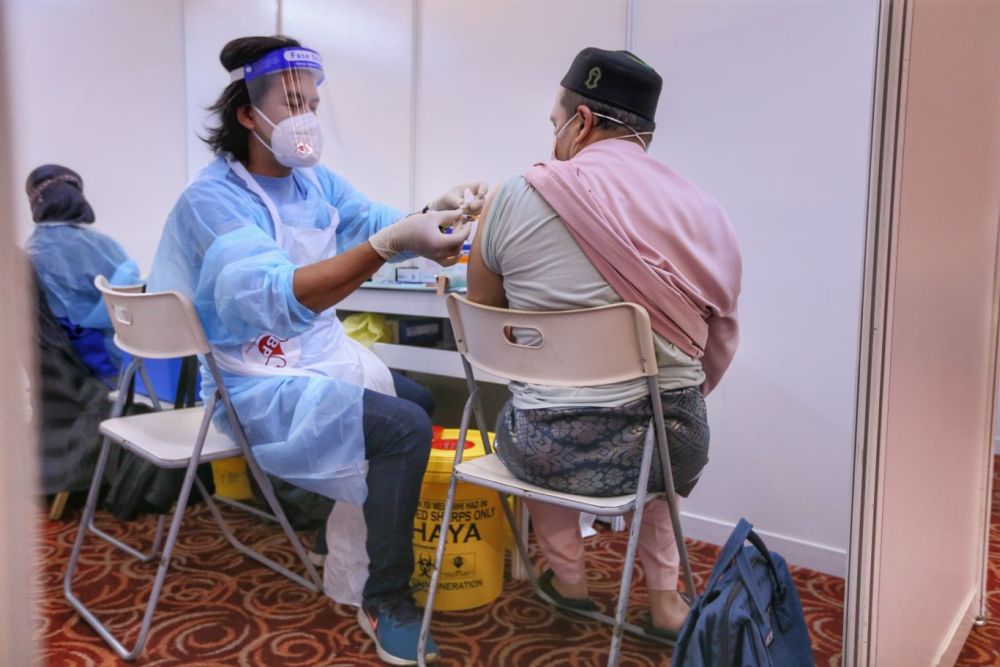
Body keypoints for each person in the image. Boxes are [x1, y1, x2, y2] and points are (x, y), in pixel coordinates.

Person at [148, 35, 484, 665]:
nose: (306, 116)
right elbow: (274, 299)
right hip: (252, 380)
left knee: (417, 396)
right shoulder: (213, 201)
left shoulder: (313, 182)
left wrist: (429, 214)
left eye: (313, 101)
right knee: (405, 428)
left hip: (312, 359)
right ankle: (387, 598)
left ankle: (348, 546)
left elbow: (371, 221)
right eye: (292, 101)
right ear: (248, 114)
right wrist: (388, 246)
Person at [467, 47, 742, 639]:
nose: (553, 143)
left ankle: (570, 584)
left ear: (582, 121)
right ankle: (667, 603)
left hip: (545, 445)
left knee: (537, 406)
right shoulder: (702, 207)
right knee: (664, 434)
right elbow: (717, 338)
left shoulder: (510, 196)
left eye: (554, 124)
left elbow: (482, 312)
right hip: (668, 443)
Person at [24, 164, 141, 380]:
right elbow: (131, 303)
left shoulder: (31, 251)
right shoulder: (103, 246)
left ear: (35, 203)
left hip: (57, 369)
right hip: (114, 362)